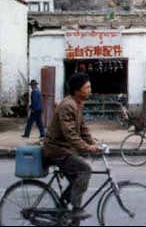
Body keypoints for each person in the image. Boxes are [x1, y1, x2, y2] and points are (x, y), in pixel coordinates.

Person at [42, 73, 101, 222]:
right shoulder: (68, 105)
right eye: (87, 87)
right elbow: (71, 134)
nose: (90, 89)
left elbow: (83, 128)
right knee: (85, 169)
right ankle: (75, 209)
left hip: (65, 148)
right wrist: (88, 148)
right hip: (56, 150)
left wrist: (93, 143)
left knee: (77, 181)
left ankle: (63, 208)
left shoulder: (78, 103)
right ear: (77, 90)